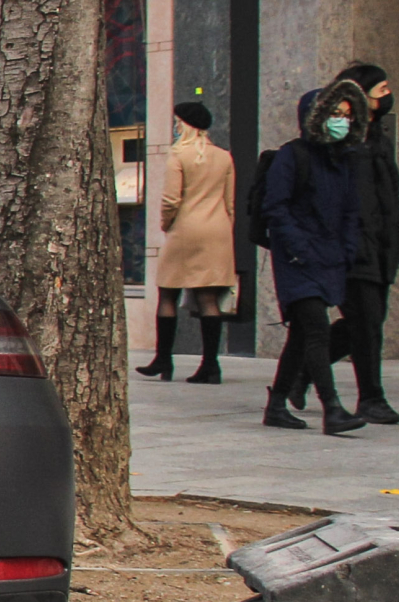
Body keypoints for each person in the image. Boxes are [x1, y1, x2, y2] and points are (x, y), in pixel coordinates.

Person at [260, 82, 371, 435]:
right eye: (335, 114)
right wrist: (298, 248)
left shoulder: (344, 161)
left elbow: (352, 211)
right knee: (317, 329)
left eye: (347, 115)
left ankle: (277, 404)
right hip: (297, 260)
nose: (342, 121)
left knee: (302, 335)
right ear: (317, 116)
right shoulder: (292, 156)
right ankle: (332, 408)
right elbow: (275, 207)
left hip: (329, 258)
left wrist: (347, 249)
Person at [325, 64, 399, 423]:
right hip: (355, 245)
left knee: (364, 321)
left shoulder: (378, 138)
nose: (387, 95)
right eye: (381, 89)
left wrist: (396, 234)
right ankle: (372, 397)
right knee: (367, 321)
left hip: (382, 243)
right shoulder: (343, 139)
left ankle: (296, 376)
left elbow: (388, 194)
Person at [138, 101, 236, 382]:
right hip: (217, 230)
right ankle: (210, 364)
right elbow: (230, 202)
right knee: (208, 297)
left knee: (168, 292)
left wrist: (166, 224)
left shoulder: (178, 155)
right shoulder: (224, 157)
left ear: (184, 123)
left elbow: (171, 199)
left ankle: (164, 358)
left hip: (186, 228)